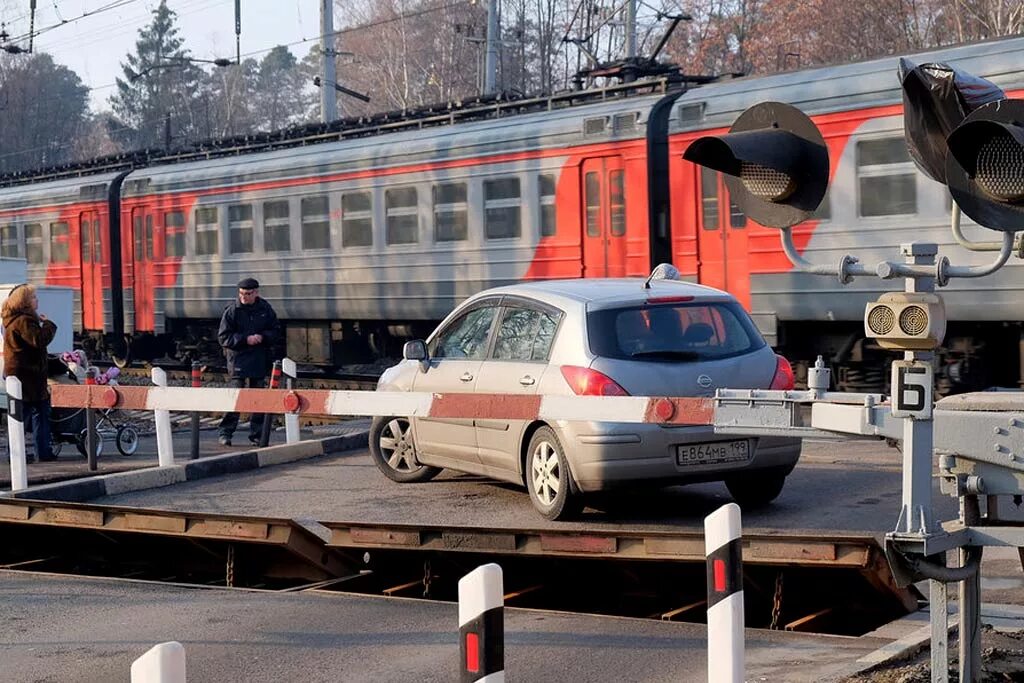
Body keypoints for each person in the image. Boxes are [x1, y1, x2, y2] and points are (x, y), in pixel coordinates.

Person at [217, 278, 280, 446]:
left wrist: (263, 337)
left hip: (259, 358)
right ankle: (226, 432)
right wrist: (245, 339)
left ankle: (257, 434)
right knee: (236, 396)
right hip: (238, 358)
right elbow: (223, 337)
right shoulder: (232, 311)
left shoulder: (265, 309)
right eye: (241, 294)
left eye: (248, 294)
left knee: (257, 397)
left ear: (256, 293)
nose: (244, 297)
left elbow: (276, 331)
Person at [2, 284, 58, 462]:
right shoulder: (24, 321)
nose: (37, 300)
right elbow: (39, 340)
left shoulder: (12, 320)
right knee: (36, 413)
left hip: (20, 373)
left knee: (21, 415)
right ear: (25, 302)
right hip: (28, 375)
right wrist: (48, 324)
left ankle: (18, 453)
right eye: (34, 297)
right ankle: (39, 452)